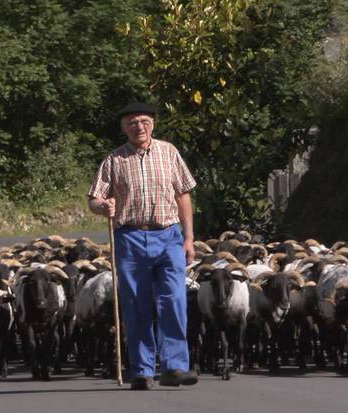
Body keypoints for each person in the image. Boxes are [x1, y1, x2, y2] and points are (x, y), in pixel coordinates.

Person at [88, 102, 198, 390]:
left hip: (168, 235)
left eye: (145, 121)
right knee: (136, 304)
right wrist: (104, 207)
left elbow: (183, 195)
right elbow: (94, 199)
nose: (140, 127)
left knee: (173, 301)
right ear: (124, 127)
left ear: (153, 124)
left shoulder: (169, 152)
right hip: (131, 238)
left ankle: (175, 367)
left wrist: (188, 238)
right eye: (133, 122)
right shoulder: (114, 160)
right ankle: (142, 370)